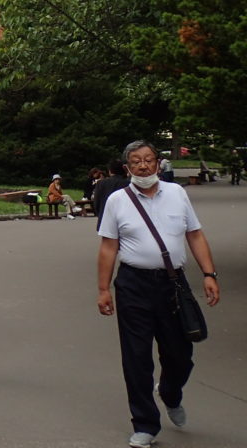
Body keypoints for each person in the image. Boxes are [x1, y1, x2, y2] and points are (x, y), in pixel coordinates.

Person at [96, 140, 220, 448]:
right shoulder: (117, 201)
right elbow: (108, 246)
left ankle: (170, 392)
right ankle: (145, 424)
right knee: (136, 357)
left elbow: (194, 233)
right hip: (133, 286)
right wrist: (103, 289)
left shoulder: (177, 194)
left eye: (148, 160)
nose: (143, 165)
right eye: (136, 161)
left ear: (157, 164)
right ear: (127, 168)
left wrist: (208, 274)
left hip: (173, 285)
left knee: (180, 354)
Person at [94, 158, 131, 227]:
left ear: (110, 170)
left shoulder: (101, 183)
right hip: (124, 220)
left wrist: (100, 214)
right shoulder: (128, 183)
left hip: (105, 219)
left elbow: (97, 203)